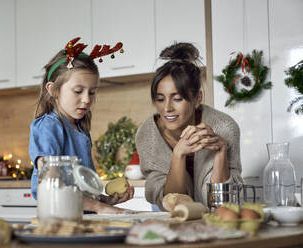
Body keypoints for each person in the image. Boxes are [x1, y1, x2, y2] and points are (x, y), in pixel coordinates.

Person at [29, 38, 134, 214]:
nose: (87, 99)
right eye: (78, 91)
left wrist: (105, 201)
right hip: (60, 220)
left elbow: (79, 190)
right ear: (53, 89)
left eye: (92, 92)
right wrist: (98, 207)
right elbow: (52, 187)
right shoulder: (48, 127)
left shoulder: (80, 129)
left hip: (82, 217)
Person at [135, 42, 243, 211]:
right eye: (160, 99)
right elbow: (171, 204)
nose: (167, 108)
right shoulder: (147, 134)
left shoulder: (224, 127)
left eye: (177, 99)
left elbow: (223, 207)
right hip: (169, 216)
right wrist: (178, 154)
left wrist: (221, 152)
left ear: (197, 98)